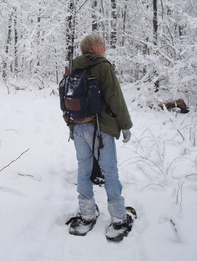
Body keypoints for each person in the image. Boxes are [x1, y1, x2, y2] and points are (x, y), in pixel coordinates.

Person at [67, 34, 133, 242]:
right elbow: (115, 98)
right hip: (100, 128)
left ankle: (86, 214)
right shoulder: (103, 67)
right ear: (94, 48)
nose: (104, 48)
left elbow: (65, 98)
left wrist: (71, 125)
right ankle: (119, 218)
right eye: (102, 45)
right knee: (110, 172)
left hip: (78, 127)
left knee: (83, 170)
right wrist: (125, 125)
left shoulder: (74, 66)